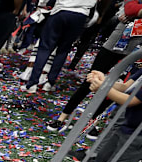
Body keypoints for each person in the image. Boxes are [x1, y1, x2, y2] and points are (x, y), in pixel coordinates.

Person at [48, 0, 142, 131]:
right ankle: (62, 118)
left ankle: (91, 124)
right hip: (114, 44)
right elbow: (130, 9)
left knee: (117, 89)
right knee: (90, 79)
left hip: (135, 51)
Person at [75, 69, 142, 162]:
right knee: (104, 155)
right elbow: (125, 88)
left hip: (138, 135)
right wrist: (103, 80)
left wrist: (103, 87)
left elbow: (131, 101)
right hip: (128, 125)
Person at [21, 0, 97, 93]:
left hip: (61, 11)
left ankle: (32, 83)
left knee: (45, 48)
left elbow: (46, 2)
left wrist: (43, 5)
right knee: (63, 50)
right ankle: (49, 83)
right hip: (80, 15)